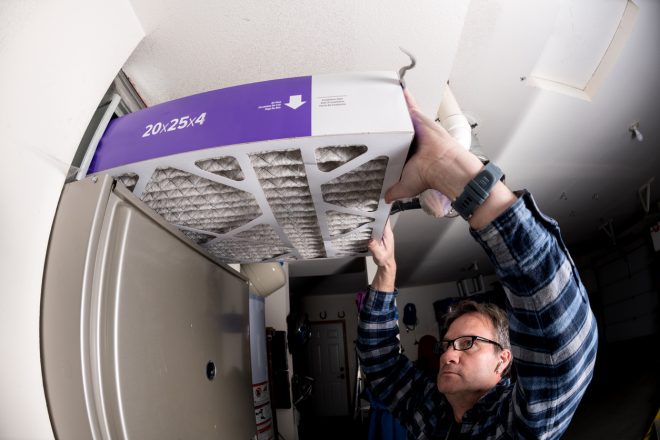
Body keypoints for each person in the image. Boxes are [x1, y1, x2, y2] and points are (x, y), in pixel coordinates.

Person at [356, 90, 598, 439]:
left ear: (503, 361)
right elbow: (380, 363)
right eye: (449, 343)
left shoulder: (514, 427)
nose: (448, 355)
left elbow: (563, 356)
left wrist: (450, 171)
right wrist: (387, 271)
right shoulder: (432, 408)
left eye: (466, 343)